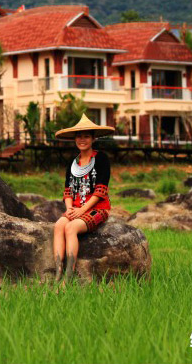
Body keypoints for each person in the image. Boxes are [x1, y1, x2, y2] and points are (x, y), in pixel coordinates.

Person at [52, 114, 115, 281]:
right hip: (76, 208)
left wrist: (82, 210)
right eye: (79, 136)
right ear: (75, 139)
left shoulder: (101, 159)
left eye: (86, 136)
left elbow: (101, 190)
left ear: (93, 139)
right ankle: (57, 273)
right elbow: (68, 191)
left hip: (97, 208)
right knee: (59, 226)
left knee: (71, 228)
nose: (82, 139)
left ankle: (68, 278)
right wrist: (69, 209)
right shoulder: (73, 163)